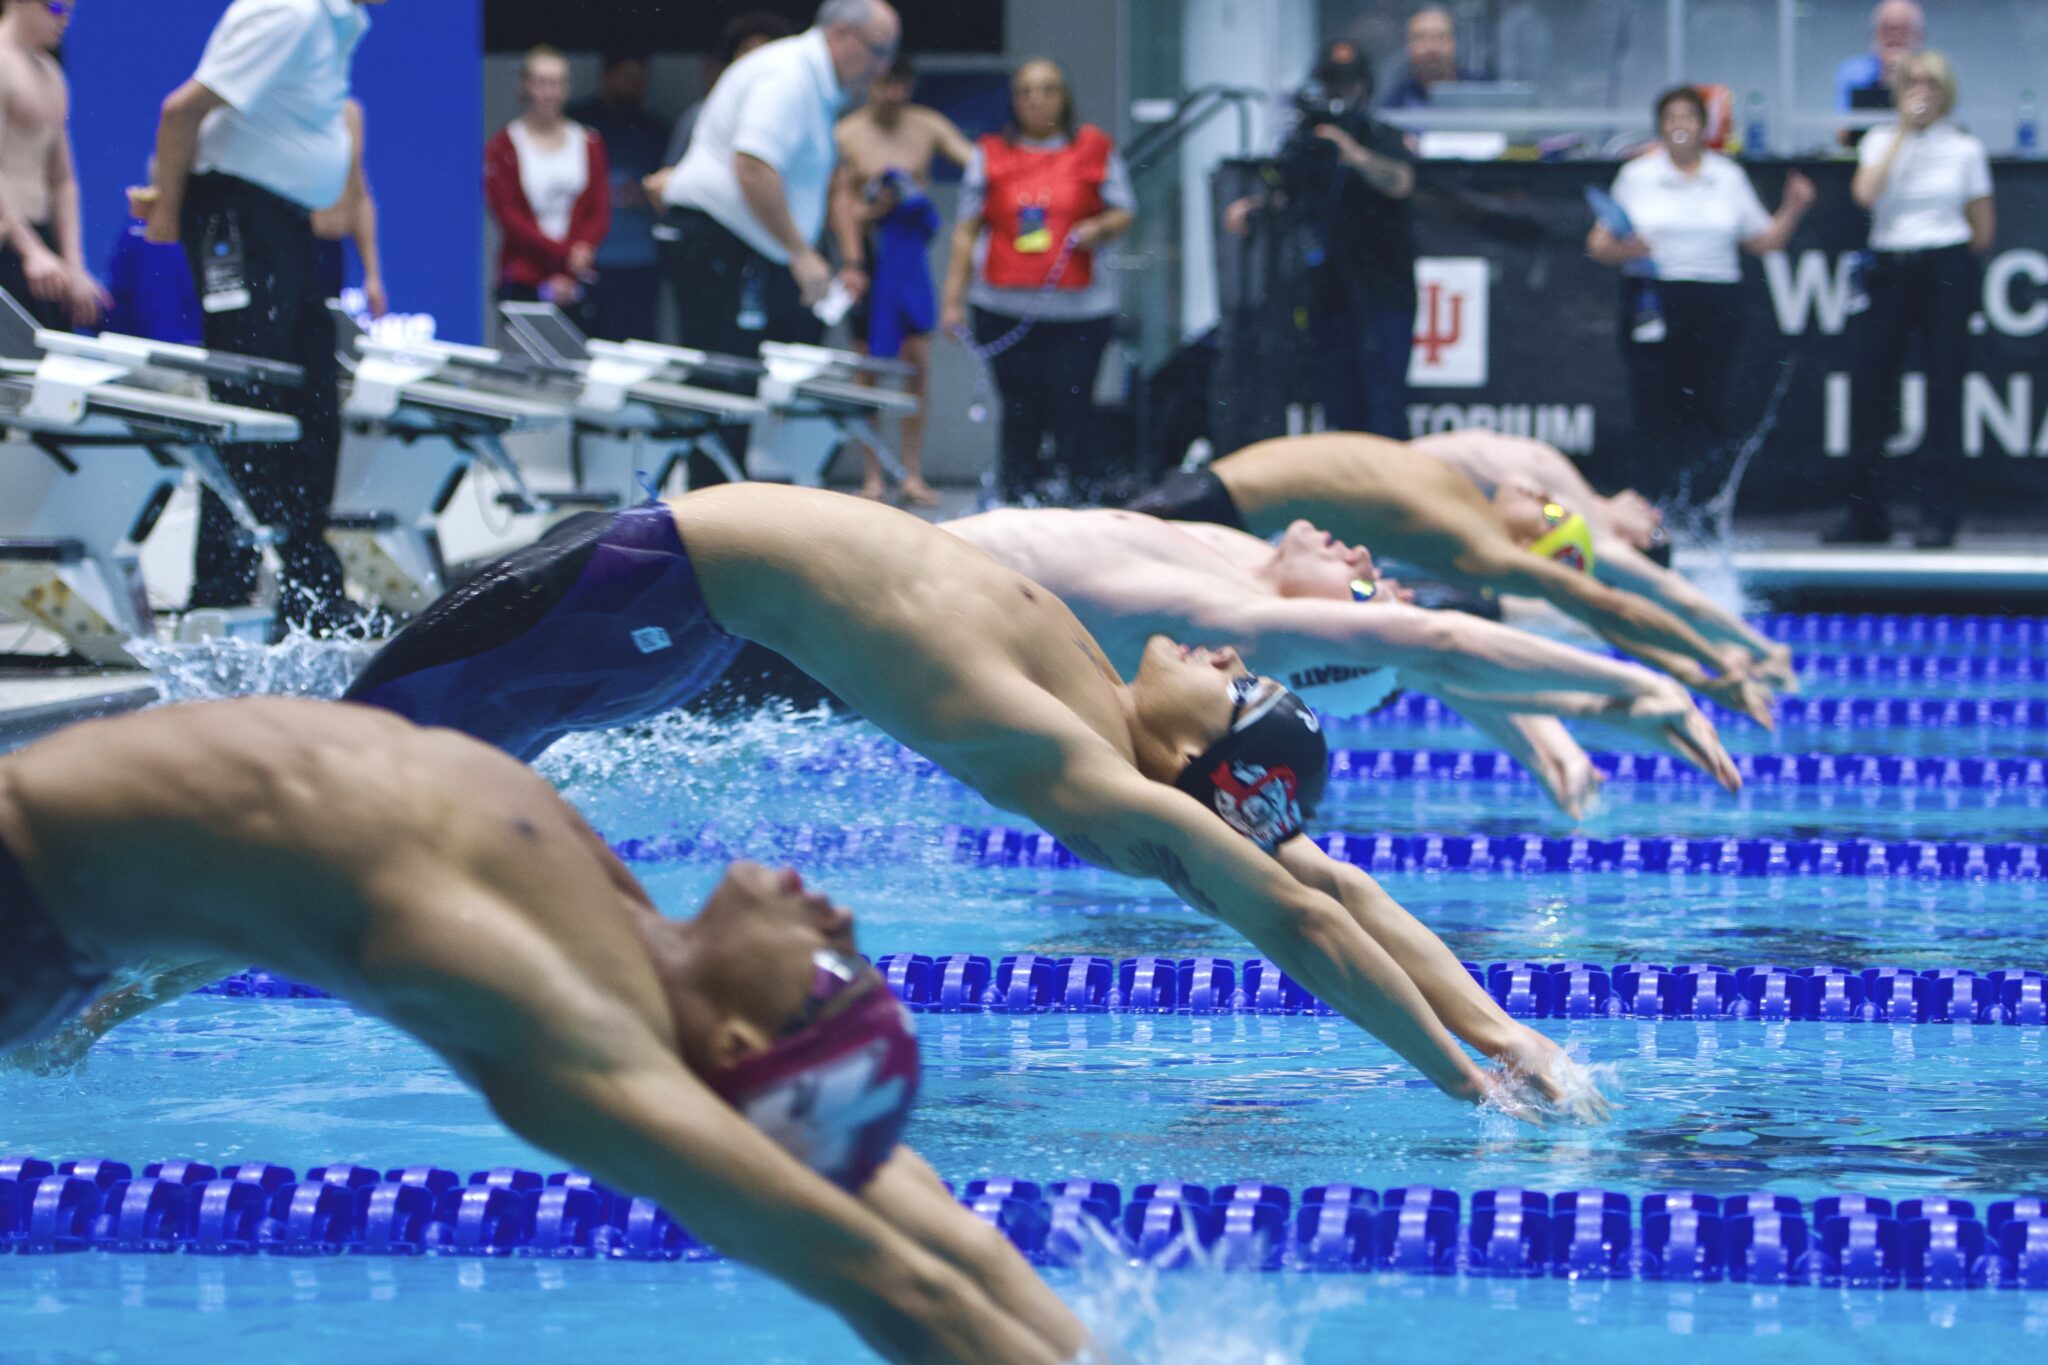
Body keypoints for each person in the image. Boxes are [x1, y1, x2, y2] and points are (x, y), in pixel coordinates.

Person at [342, 485, 1609, 1120]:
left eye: (1236, 689)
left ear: (1195, 772)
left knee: (332, 796)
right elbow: (1334, 882)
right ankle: (150, 960)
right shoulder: (1110, 710)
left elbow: (1298, 920)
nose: (1229, 658)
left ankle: (148, 963)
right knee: (346, 802)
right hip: (662, 597)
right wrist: (1506, 1033)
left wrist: (1457, 1081)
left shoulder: (1094, 776)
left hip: (639, 596)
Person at [0, 699, 1088, 1365]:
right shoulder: (619, 920)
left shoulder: (549, 1005)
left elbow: (885, 1277)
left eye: (832, 974)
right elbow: (914, 1217)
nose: (845, 925)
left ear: (739, 1052)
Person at [945, 506, 1740, 819]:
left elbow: (1439, 644)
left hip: (884, 597)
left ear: (1321, 634)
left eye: (1363, 585)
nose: (1362, 553)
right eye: (1376, 577)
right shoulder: (1243, 565)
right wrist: (1554, 742)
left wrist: (1645, 681)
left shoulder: (1239, 621)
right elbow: (1433, 665)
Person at [1126, 434, 1777, 724]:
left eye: (1547, 514)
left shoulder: (1477, 546)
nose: (1538, 494)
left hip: (1208, 511)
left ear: (1532, 546)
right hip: (1216, 504)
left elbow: (1605, 606)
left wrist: (1703, 666)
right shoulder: (1471, 497)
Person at [141, 0, 381, 635]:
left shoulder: (336, 21)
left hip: (281, 218)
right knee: (249, 398)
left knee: (312, 406)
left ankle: (309, 588)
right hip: (237, 217)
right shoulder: (292, 11)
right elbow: (181, 109)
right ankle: (220, 589)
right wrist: (166, 212)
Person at [1412, 428, 1798, 691]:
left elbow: (1673, 594)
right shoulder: (1560, 494)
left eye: (1655, 535)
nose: (1655, 515)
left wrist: (1763, 650)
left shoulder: (1576, 525)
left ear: (1629, 547)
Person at [1587, 86, 1814, 501]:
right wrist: (1629, 249)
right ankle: (1653, 504)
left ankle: (1700, 503)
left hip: (1714, 302)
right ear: (1660, 126)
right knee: (1654, 404)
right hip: (1653, 299)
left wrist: (1793, 208)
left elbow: (1764, 241)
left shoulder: (1726, 176)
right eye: (1671, 117)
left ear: (1703, 126)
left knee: (1704, 405)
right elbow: (1599, 245)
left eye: (1688, 117)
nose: (1680, 126)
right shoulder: (1638, 175)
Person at [939, 59, 1134, 504]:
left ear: (1064, 96)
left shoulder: (1095, 150)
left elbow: (1124, 212)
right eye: (1026, 91)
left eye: (1047, 90)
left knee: (1071, 406)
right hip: (1003, 306)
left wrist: (1098, 228)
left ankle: (1078, 498)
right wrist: (952, 300)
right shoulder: (989, 154)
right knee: (1020, 408)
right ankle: (1016, 494)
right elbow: (966, 231)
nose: (1036, 100)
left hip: (1079, 309)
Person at [657, 0, 895, 363]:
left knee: (771, 372)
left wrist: (840, 257)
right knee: (728, 384)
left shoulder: (816, 84)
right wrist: (799, 253)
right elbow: (752, 164)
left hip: (745, 247)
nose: (883, 67)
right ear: (842, 33)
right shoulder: (789, 75)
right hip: (722, 244)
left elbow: (827, 184)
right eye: (878, 51)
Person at [1831, 50, 1994, 549]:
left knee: (1946, 390)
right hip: (1890, 267)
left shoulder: (1964, 149)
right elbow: (1865, 193)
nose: (1921, 92)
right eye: (1912, 84)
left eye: (1931, 85)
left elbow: (1982, 230)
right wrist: (1903, 131)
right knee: (1870, 387)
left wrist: (1948, 263)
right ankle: (1866, 516)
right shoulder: (1881, 139)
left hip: (1944, 267)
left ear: (1946, 92)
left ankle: (1939, 517)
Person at [1223, 41, 1415, 441]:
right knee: (1338, 399)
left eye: (1347, 83)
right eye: (1331, 83)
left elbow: (1401, 182)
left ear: (1364, 85)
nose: (1338, 92)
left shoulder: (1381, 135)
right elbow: (1289, 196)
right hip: (1329, 295)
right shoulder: (1307, 142)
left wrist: (1352, 154)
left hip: (1382, 290)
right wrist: (1254, 207)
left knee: (1385, 401)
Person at [833, 54, 972, 505]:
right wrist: (858, 245)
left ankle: (910, 472)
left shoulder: (926, 125)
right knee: (868, 368)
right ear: (869, 84)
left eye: (900, 86)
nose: (892, 95)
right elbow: (837, 205)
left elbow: (977, 163)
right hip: (870, 259)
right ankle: (873, 473)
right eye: (884, 85)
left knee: (917, 364)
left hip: (910, 261)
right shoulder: (848, 133)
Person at [485, 47, 611, 328]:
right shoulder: (503, 145)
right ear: (526, 85)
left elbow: (599, 208)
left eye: (556, 83)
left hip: (576, 277)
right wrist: (564, 254)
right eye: (541, 83)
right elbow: (510, 217)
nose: (549, 92)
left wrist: (581, 252)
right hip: (525, 274)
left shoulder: (588, 141)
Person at [0, 0, 106, 330]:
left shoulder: (52, 74)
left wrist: (74, 264)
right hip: (10, 242)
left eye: (71, 12)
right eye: (56, 8)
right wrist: (29, 249)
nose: (65, 21)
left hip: (39, 248)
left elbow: (62, 179)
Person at [569, 53, 670, 342]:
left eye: (640, 79)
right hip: (588, 256)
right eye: (627, 77)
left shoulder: (656, 130)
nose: (633, 86)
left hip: (640, 258)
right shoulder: (579, 124)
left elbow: (674, 192)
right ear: (606, 76)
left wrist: (645, 194)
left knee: (637, 341)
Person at [657, 10, 794, 190]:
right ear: (731, 59)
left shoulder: (795, 115)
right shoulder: (700, 114)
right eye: (746, 50)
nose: (754, 60)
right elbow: (664, 183)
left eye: (763, 51)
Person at [311, 98, 386, 317]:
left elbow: (359, 195)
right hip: (288, 246)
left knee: (320, 340)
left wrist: (373, 275)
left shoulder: (350, 113)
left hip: (329, 252)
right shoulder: (282, 108)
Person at [1835, 0, 1924, 115]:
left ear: (1919, 36)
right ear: (1874, 34)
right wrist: (1885, 76)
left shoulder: (1933, 72)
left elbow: (1945, 121)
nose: (1894, 36)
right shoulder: (1852, 71)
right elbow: (1842, 129)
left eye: (1903, 29)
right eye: (1887, 28)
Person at [1382, 7, 1479, 110]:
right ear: (1409, 47)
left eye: (1440, 37)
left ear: (1453, 43)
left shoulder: (1482, 89)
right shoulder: (1395, 103)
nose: (1431, 48)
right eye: (1421, 38)